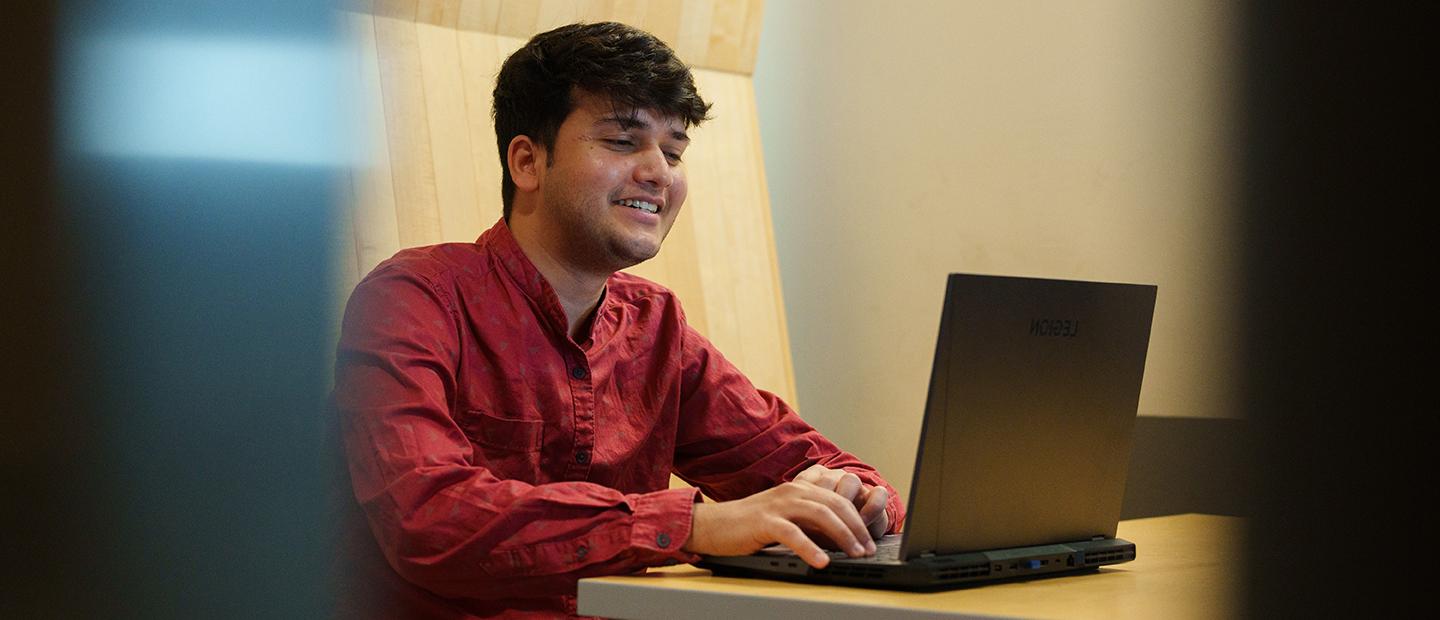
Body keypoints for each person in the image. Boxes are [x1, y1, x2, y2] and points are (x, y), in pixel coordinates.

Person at [331, 22, 904, 618]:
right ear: (527, 161)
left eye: (675, 151)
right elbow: (429, 519)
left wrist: (857, 502)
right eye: (624, 141)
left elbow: (821, 466)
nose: (660, 172)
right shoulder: (414, 297)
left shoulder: (656, 325)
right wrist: (695, 525)